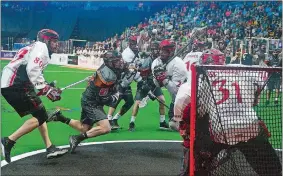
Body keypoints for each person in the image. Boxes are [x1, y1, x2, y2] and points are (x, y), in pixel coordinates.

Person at [176, 49, 282, 175]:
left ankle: (199, 166)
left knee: (200, 160)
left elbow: (200, 111)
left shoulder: (201, 78)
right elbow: (259, 86)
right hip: (250, 126)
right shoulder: (239, 71)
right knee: (270, 166)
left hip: (221, 130)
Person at [1, 29, 68, 163]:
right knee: (41, 115)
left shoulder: (37, 47)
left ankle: (49, 147)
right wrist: (46, 89)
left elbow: (33, 72)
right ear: (46, 40)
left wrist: (47, 86)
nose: (57, 44)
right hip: (15, 84)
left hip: (16, 83)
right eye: (54, 41)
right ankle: (7, 141)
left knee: (40, 113)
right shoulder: (41, 47)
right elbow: (32, 69)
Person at [47, 51, 126, 153]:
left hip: (89, 98)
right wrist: (115, 96)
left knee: (84, 129)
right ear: (110, 63)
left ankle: (60, 117)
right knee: (106, 128)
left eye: (119, 60)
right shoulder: (107, 76)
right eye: (116, 61)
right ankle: (77, 138)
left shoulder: (109, 69)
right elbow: (104, 98)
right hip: (92, 102)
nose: (120, 63)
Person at [126, 41, 169, 131]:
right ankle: (131, 123)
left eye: (156, 49)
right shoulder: (148, 60)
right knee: (137, 103)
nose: (155, 51)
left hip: (155, 85)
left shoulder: (160, 60)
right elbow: (142, 73)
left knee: (162, 100)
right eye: (153, 49)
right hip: (145, 84)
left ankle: (162, 122)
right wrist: (147, 89)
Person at [107, 36, 142, 131]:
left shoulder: (137, 52)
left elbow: (136, 68)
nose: (133, 44)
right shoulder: (127, 53)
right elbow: (127, 67)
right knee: (116, 99)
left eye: (134, 42)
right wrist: (133, 69)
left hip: (127, 83)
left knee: (130, 101)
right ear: (129, 43)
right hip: (120, 80)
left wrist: (139, 78)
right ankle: (109, 120)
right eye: (131, 42)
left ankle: (115, 119)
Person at [152, 39, 187, 131]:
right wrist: (158, 78)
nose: (161, 53)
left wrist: (164, 79)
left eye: (165, 51)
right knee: (173, 125)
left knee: (185, 126)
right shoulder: (156, 62)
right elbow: (157, 85)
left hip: (186, 99)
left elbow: (176, 90)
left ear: (171, 52)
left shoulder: (179, 65)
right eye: (161, 50)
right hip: (175, 100)